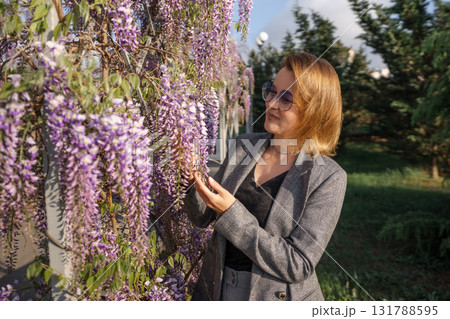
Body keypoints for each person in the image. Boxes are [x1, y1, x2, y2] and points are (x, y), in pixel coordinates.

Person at [183, 52, 348, 301]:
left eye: (286, 98)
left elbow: (298, 264)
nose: (271, 103)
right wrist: (186, 175)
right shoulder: (243, 146)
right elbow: (202, 217)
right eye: (272, 91)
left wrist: (231, 213)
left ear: (314, 110)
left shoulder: (327, 177)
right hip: (216, 289)